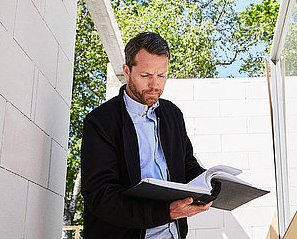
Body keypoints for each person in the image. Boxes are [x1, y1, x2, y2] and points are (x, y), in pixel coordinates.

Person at [81, 32, 211, 239]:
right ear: (127, 71)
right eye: (145, 76)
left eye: (161, 75)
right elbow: (101, 197)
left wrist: (212, 184)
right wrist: (165, 212)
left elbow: (186, 166)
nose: (154, 85)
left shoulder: (173, 114)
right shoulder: (101, 121)